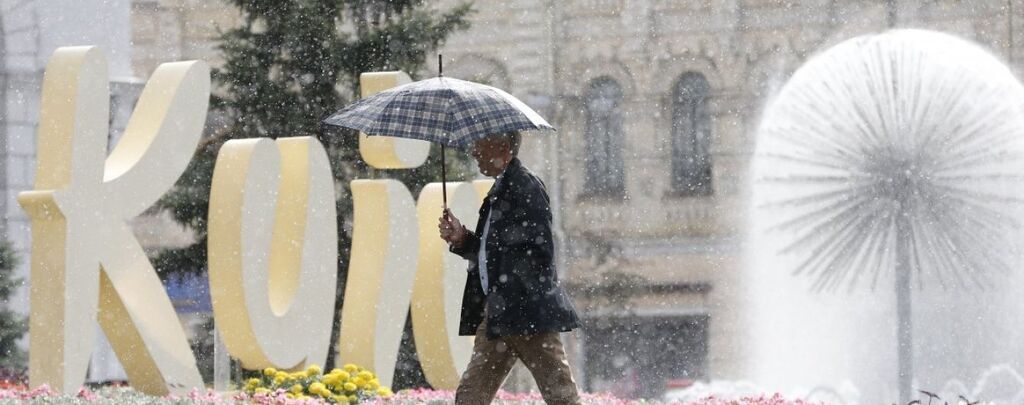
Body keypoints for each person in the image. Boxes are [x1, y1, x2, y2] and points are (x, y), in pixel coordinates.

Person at [438, 131, 582, 405]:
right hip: (500, 314)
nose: (474, 151)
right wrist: (462, 238)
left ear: (501, 147)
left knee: (561, 395)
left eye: (480, 143)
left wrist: (510, 291)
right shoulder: (502, 188)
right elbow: (491, 253)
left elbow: (538, 251)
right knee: (470, 397)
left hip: (526, 314)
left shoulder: (524, 186)